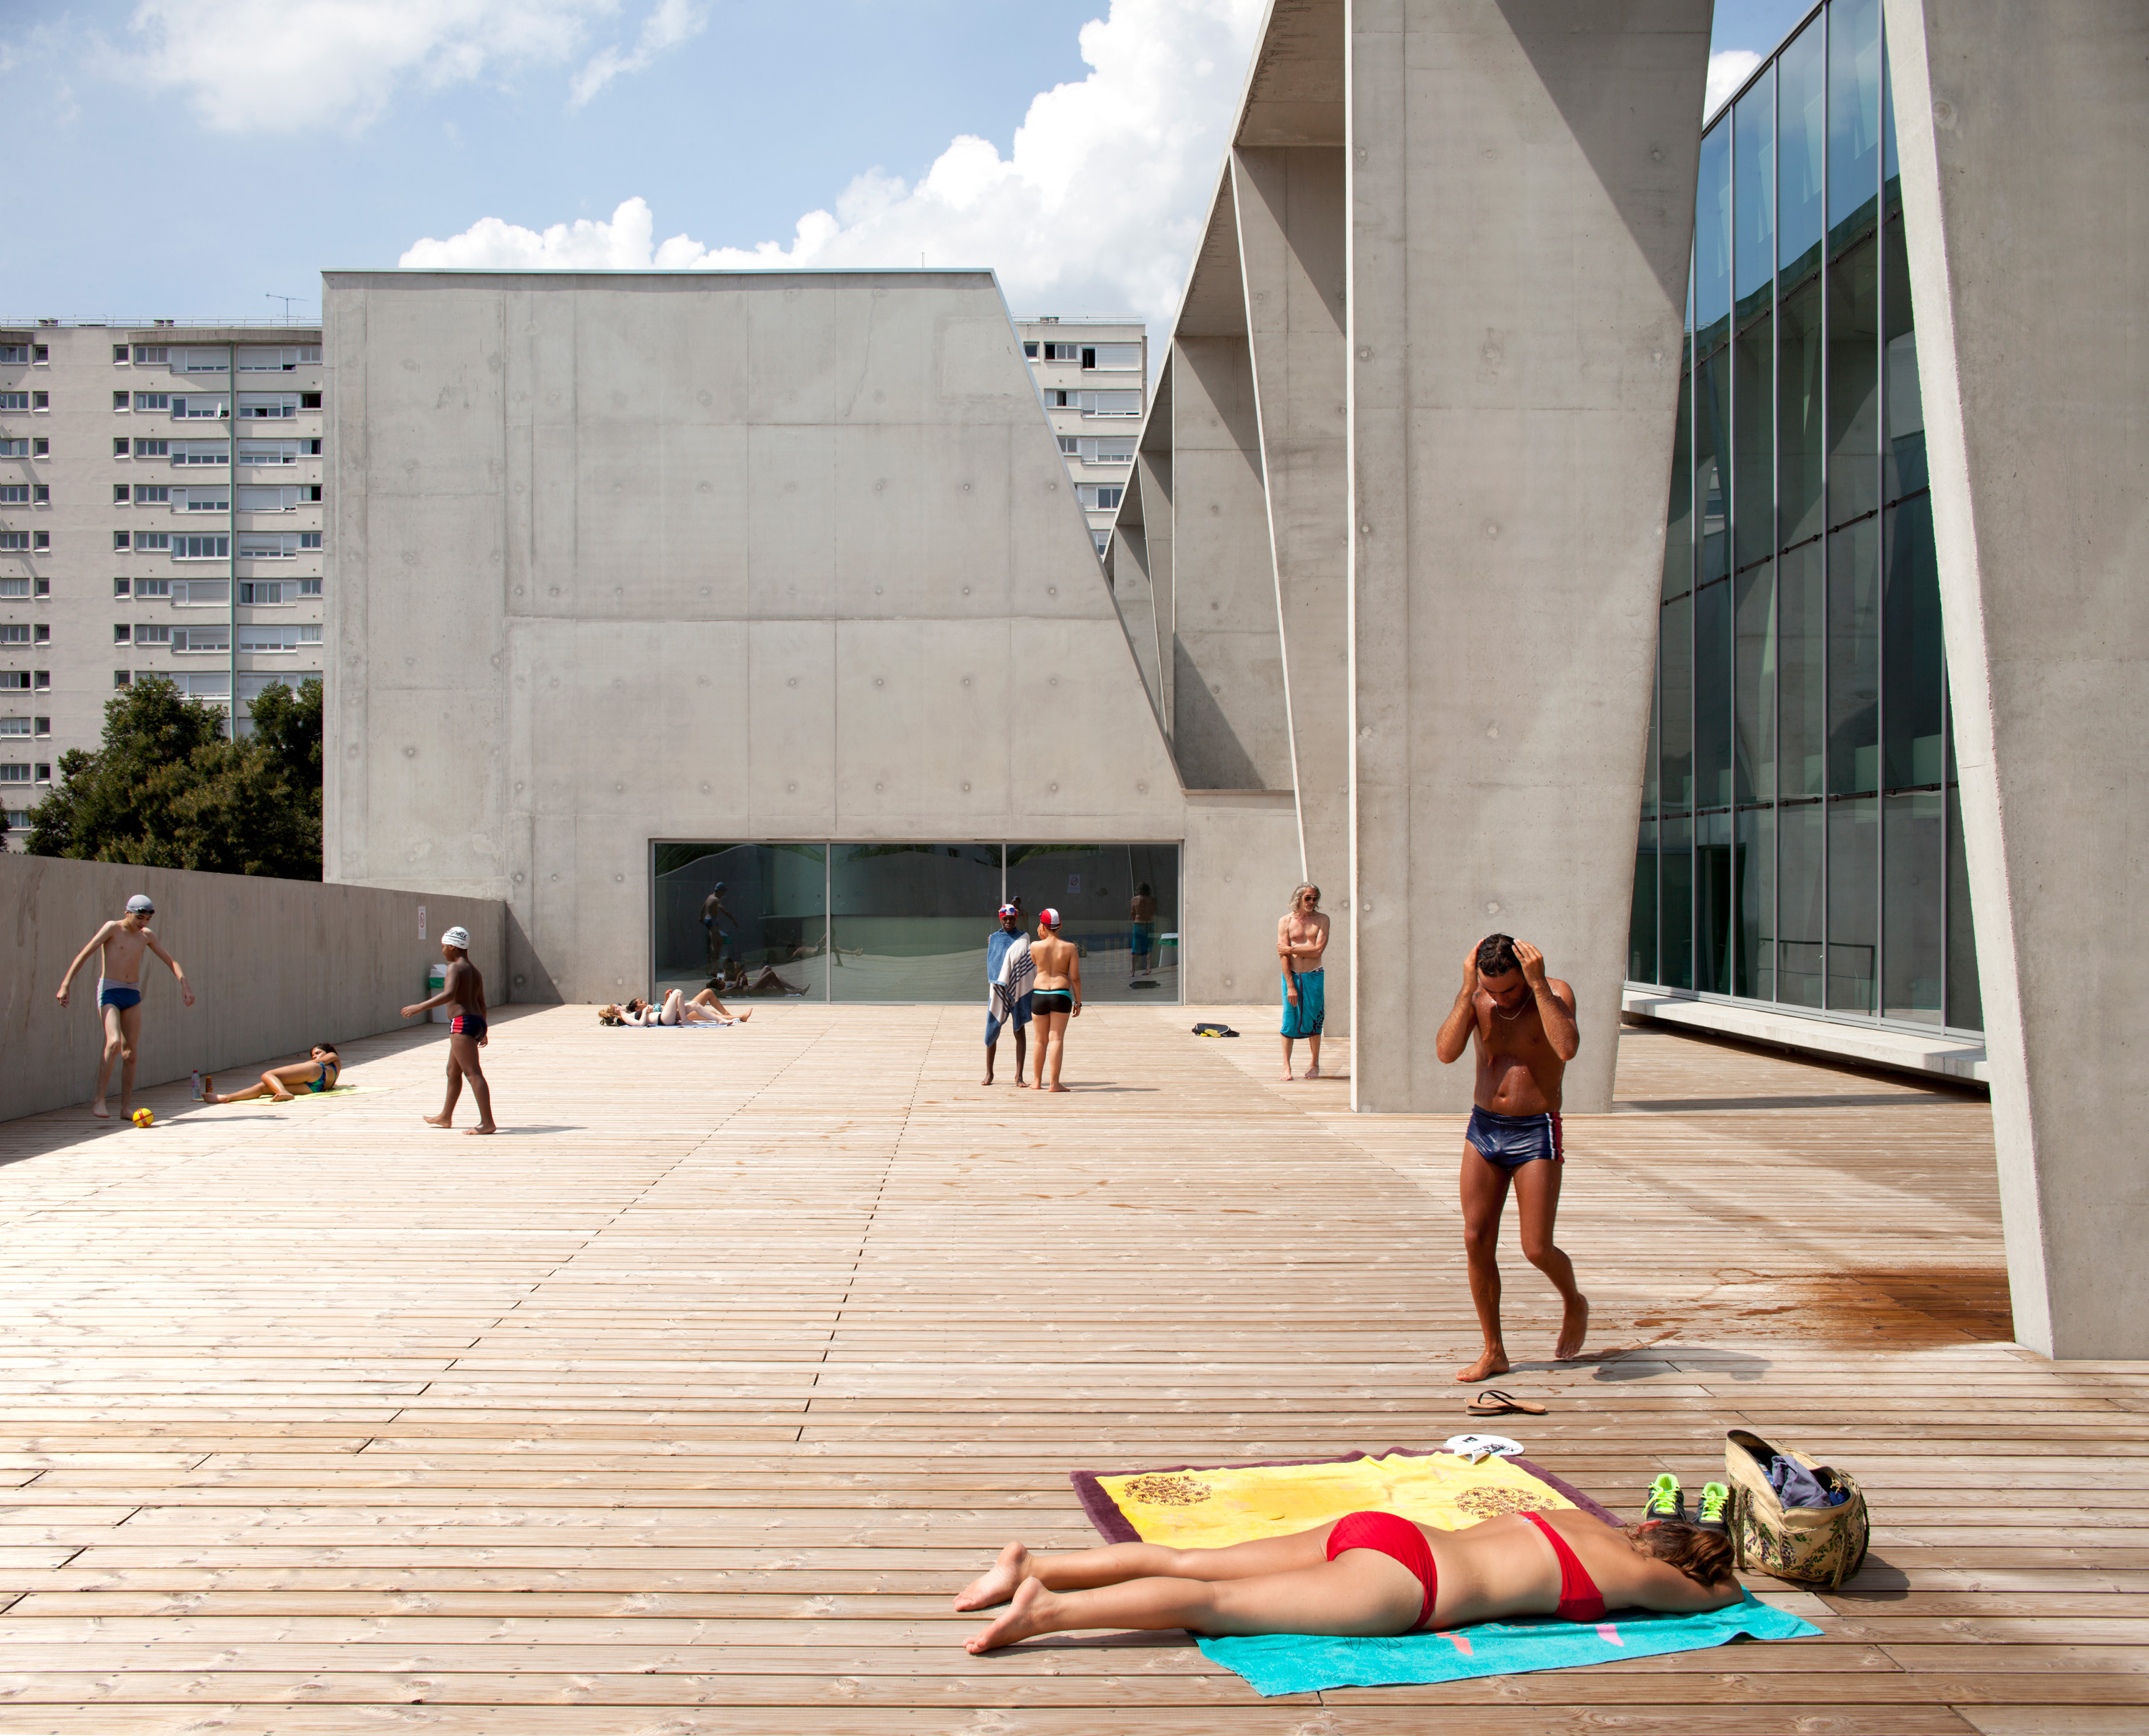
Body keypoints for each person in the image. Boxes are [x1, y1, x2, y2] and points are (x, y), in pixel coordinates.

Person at [954, 1507, 1740, 1654]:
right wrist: (1726, 1574)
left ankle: (1037, 1565)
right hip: (1409, 1584)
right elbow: (1718, 1598)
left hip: (1386, 1532)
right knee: (1215, 1605)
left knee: (1193, 1562)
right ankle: (1043, 1612)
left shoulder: (1581, 1523)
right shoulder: (1640, 1574)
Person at [1434, 933, 1585, 1381]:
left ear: (1528, 971)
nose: (1500, 1000)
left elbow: (1567, 1048)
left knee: (1536, 1247)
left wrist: (1537, 989)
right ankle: (1493, 1350)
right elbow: (1445, 1053)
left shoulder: (1554, 993)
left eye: (1510, 990)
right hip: (1484, 1127)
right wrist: (1467, 992)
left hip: (1535, 1129)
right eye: (1491, 989)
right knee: (1475, 1236)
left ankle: (1574, 1301)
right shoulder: (1477, 999)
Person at [54, 892, 195, 1121]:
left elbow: (171, 961)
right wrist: (65, 984)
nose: (143, 923)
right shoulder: (112, 928)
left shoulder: (146, 936)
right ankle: (100, 1099)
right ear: (127, 913)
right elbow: (85, 953)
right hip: (110, 991)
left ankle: (125, 1108)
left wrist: (185, 986)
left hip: (132, 993)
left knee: (130, 1053)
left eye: (147, 920)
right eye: (140, 918)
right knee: (114, 1042)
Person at [400, 926, 496, 1135]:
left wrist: (419, 1007)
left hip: (462, 1023)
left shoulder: (455, 968)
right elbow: (481, 1002)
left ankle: (487, 1123)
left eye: (444, 946)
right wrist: (484, 1029)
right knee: (453, 1071)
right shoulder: (475, 971)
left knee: (473, 1073)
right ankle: (445, 1116)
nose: (442, 950)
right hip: (476, 1021)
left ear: (453, 947)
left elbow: (449, 994)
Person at [1277, 882, 1330, 1081]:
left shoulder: (1322, 920)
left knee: (1315, 1019)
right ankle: (1286, 1067)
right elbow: (1282, 957)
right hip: (1292, 974)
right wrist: (1290, 985)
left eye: (1315, 898)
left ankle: (1315, 1065)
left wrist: (1290, 950)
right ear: (1299, 898)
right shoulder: (1286, 921)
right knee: (1289, 1020)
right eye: (1308, 898)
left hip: (1314, 973)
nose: (1311, 902)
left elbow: (1317, 950)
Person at [1027, 908, 1080, 1093]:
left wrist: (1043, 939)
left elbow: (1038, 963)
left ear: (1042, 926)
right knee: (1056, 1038)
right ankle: (1054, 1083)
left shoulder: (1035, 946)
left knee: (1039, 1040)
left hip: (1040, 993)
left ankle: (1036, 1081)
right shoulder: (1070, 948)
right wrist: (1078, 1002)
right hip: (1061, 994)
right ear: (1061, 926)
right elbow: (1075, 978)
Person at [984, 902, 1033, 1086]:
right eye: (1005, 918)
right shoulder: (995, 938)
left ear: (1016, 919)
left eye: (1012, 919)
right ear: (1001, 919)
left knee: (1019, 1029)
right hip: (997, 988)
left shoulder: (1024, 937)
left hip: (1018, 988)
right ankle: (989, 1073)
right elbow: (993, 962)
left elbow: (1025, 961)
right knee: (992, 1029)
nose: (1009, 921)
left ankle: (1019, 1076)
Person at [201, 1044, 340, 1105]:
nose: (315, 1056)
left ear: (327, 1051)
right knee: (263, 1086)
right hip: (318, 1087)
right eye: (313, 1055)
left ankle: (283, 1091)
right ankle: (226, 1097)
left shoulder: (332, 1056)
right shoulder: (333, 1066)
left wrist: (308, 1064)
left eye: (317, 1053)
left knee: (268, 1074)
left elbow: (319, 1062)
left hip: (318, 1072)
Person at [701, 882, 736, 980]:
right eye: (723, 893)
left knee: (720, 942)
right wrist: (733, 920)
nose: (723, 895)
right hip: (712, 922)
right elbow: (725, 911)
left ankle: (715, 963)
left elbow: (703, 907)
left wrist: (701, 918)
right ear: (720, 891)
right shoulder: (716, 900)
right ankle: (714, 968)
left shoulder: (709, 897)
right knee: (714, 946)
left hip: (710, 921)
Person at [1129, 883, 1158, 979]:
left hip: (1139, 924)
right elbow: (1153, 912)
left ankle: (1133, 971)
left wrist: (1134, 923)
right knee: (1149, 947)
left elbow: (1133, 913)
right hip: (1150, 923)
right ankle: (1148, 968)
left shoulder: (1134, 900)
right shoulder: (1153, 900)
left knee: (1135, 948)